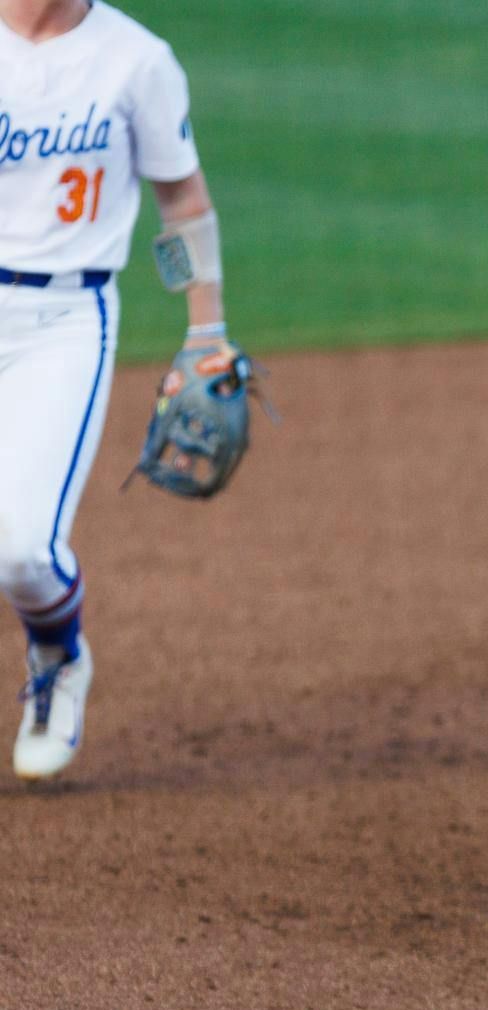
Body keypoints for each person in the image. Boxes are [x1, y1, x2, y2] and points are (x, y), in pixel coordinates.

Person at [1, 0, 237, 781]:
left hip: (65, 319)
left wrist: (204, 329)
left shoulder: (137, 62)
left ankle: (59, 653)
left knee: (24, 551)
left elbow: (182, 210)